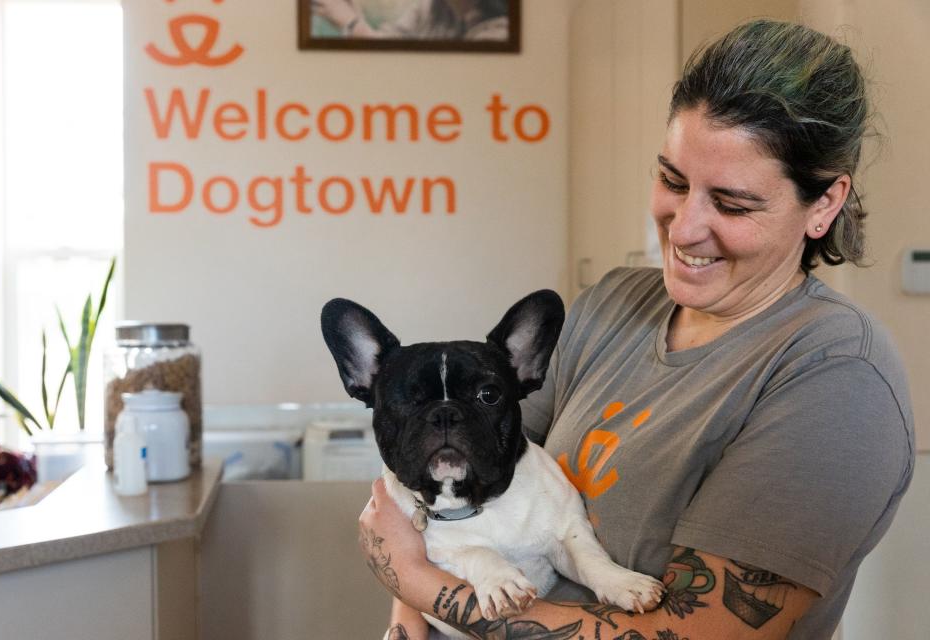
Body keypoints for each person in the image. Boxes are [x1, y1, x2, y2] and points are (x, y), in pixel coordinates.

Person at [359, 19, 915, 640]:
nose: (682, 228)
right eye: (673, 181)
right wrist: (410, 619)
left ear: (824, 205)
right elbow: (459, 482)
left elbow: (699, 634)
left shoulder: (835, 378)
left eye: (731, 204)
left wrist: (416, 581)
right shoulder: (613, 305)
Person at [310, 0, 509, 41]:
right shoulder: (432, 8)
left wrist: (351, 23)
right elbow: (389, 44)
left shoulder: (500, 31)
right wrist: (352, 16)